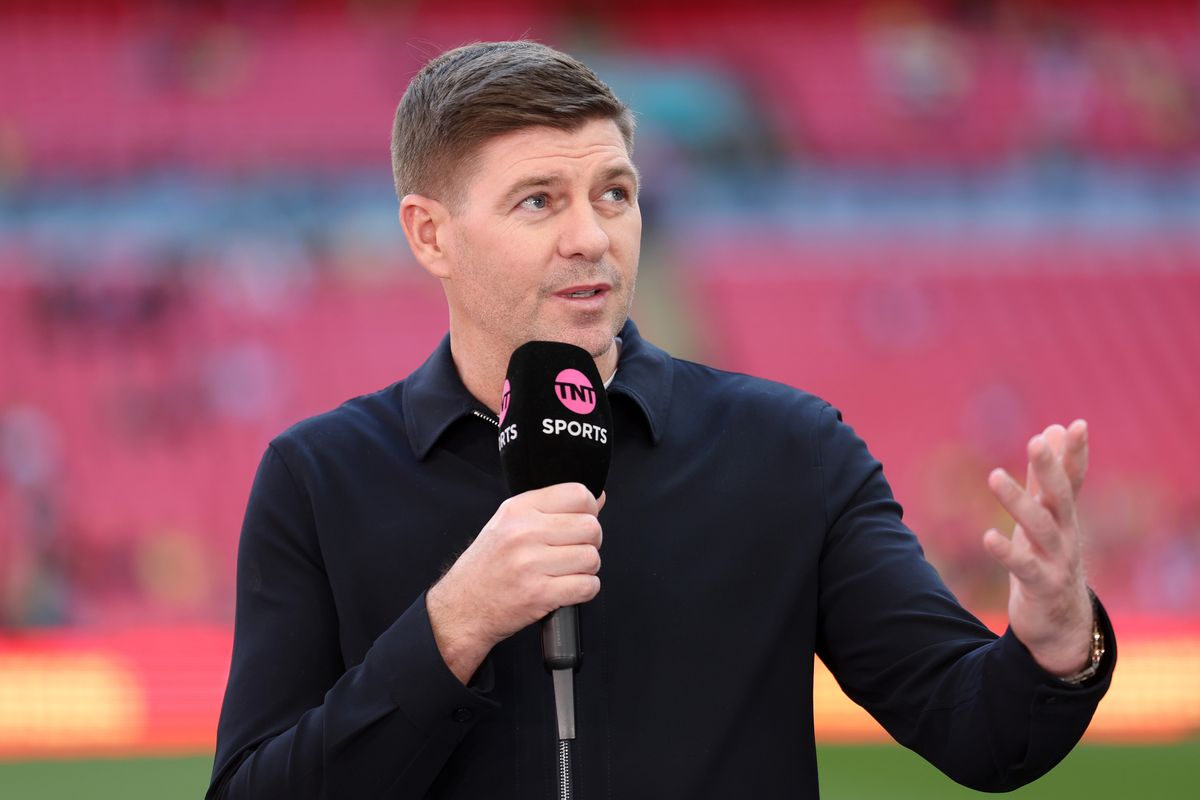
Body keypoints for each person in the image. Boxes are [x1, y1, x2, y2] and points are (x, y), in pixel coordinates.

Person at [208, 41, 1113, 799]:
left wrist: (1057, 647)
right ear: (430, 234)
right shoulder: (318, 476)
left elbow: (979, 732)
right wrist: (450, 628)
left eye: (614, 193)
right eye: (539, 201)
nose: (592, 237)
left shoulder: (791, 450)